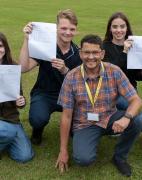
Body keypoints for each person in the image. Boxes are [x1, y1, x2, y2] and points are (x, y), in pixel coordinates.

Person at [55, 34, 142, 177]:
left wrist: (126, 118)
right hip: (85, 123)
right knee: (83, 160)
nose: (91, 57)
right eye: (86, 52)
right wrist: (63, 150)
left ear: (102, 53)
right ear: (80, 53)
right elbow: (66, 116)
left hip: (109, 117)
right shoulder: (71, 77)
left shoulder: (114, 71)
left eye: (95, 52)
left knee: (136, 121)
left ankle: (119, 157)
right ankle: (80, 138)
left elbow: (136, 100)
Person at [19, 9, 82, 145]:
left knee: (78, 128)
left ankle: (73, 126)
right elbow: (24, 68)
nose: (67, 32)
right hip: (45, 93)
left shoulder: (78, 53)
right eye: (63, 28)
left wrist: (65, 70)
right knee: (37, 119)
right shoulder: (45, 47)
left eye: (72, 29)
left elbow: (81, 83)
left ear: (76, 30)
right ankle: (38, 129)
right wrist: (26, 39)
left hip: (69, 95)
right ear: (56, 28)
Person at [0, 32, 34, 162]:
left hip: (10, 120)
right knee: (7, 132)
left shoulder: (13, 68)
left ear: (6, 48)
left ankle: (5, 140)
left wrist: (21, 101)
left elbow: (18, 95)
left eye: (1, 46)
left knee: (25, 156)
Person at [103, 12, 142, 110]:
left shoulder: (134, 45)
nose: (119, 30)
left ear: (127, 28)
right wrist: (125, 51)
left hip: (129, 90)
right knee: (121, 105)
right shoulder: (104, 47)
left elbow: (136, 76)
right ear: (110, 28)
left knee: (126, 105)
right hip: (110, 89)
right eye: (115, 27)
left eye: (122, 27)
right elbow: (112, 72)